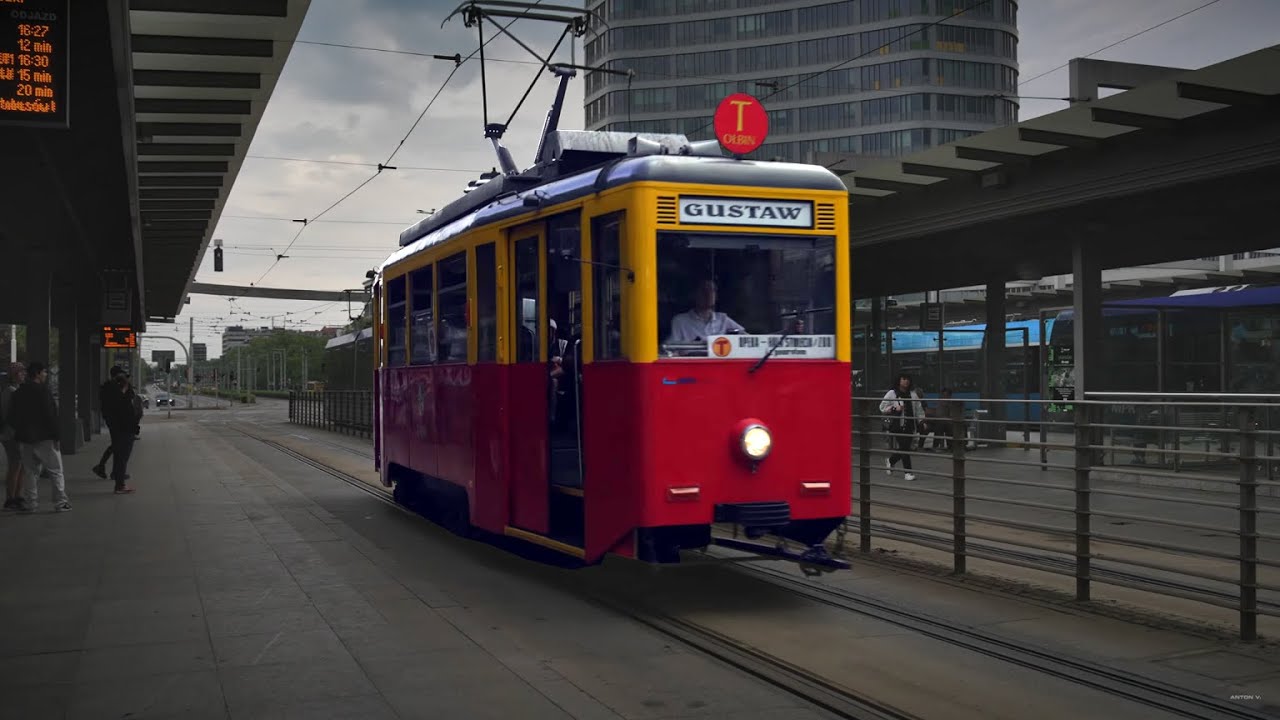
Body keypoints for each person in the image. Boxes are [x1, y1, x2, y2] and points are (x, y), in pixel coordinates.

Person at [8, 361, 70, 513]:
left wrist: (21, 430)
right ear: (37, 373)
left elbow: (12, 417)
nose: (45, 375)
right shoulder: (43, 391)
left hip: (25, 439)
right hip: (46, 438)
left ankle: (31, 504)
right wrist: (56, 436)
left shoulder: (18, 393)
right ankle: (60, 502)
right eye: (44, 372)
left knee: (30, 472)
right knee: (55, 470)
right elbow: (51, 415)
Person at [666, 278, 745, 343]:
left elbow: (745, 338)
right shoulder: (680, 321)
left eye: (712, 290)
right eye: (704, 290)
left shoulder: (723, 319)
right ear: (694, 294)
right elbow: (671, 348)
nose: (709, 294)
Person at [880, 373, 925, 481]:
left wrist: (922, 421)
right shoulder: (892, 393)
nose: (906, 381)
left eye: (908, 379)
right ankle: (908, 472)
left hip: (910, 425)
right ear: (899, 380)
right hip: (897, 425)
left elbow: (919, 409)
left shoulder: (913, 394)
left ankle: (891, 461)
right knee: (905, 448)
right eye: (903, 379)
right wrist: (894, 408)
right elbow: (882, 407)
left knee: (905, 448)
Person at [1, 362, 25, 510]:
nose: (24, 375)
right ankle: (10, 498)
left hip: (14, 433)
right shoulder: (10, 391)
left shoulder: (14, 390)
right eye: (21, 372)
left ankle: (17, 495)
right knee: (15, 465)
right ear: (15, 375)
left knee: (20, 465)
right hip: (10, 434)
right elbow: (7, 414)